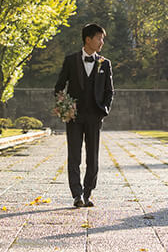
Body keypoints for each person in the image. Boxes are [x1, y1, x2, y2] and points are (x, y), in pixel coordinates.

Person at [54, 23, 114, 207]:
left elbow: (109, 91)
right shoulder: (71, 60)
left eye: (102, 38)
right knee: (74, 156)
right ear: (88, 39)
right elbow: (59, 87)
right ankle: (76, 194)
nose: (101, 42)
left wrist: (103, 110)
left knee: (93, 157)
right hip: (74, 117)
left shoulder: (105, 63)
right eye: (99, 38)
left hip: (94, 116)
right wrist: (65, 107)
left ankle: (88, 193)